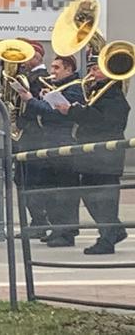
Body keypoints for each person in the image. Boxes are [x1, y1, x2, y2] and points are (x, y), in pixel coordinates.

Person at [57, 54, 130, 255]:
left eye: (96, 69)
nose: (91, 73)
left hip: (105, 157)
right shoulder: (98, 92)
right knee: (90, 195)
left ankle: (107, 239)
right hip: (92, 156)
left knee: (104, 199)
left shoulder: (114, 96)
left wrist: (71, 111)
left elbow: (100, 120)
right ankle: (114, 230)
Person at [18, 55, 84, 247]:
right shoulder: (61, 87)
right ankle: (57, 228)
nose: (52, 71)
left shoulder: (75, 88)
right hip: (50, 142)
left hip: (64, 144)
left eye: (57, 67)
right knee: (51, 190)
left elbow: (56, 113)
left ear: (69, 70)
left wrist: (31, 100)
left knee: (64, 191)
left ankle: (67, 232)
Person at [14, 40, 50, 238]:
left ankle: (40, 222)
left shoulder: (42, 78)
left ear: (36, 56)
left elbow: (37, 104)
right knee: (21, 178)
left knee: (31, 180)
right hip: (25, 132)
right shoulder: (27, 76)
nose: (23, 60)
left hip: (34, 134)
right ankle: (37, 221)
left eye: (26, 56)